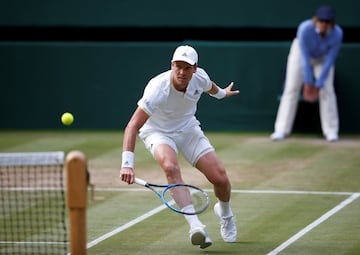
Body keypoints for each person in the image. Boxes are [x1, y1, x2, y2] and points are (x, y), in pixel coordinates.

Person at [119, 45, 239, 248]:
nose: (182, 72)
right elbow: (132, 125)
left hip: (188, 129)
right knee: (170, 167)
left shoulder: (199, 77)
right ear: (172, 66)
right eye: (178, 66)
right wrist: (127, 163)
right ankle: (196, 226)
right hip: (157, 132)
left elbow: (211, 87)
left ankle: (225, 214)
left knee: (220, 177)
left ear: (195, 69)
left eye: (187, 68)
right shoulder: (157, 88)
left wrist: (223, 94)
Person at [270, 5, 343, 142]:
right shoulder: (304, 28)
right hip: (301, 54)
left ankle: (331, 131)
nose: (323, 24)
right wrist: (309, 82)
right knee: (291, 88)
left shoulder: (337, 33)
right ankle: (281, 130)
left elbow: (330, 60)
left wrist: (319, 83)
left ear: (331, 23)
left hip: (322, 58)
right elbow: (304, 57)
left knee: (327, 89)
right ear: (316, 20)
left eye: (327, 22)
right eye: (321, 21)